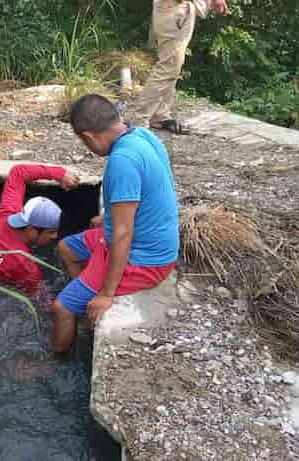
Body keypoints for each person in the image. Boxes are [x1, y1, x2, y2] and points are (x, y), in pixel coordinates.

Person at [51, 94, 178, 354]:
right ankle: (84, 304)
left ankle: (57, 359)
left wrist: (107, 294)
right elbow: (150, 194)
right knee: (66, 248)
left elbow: (122, 235)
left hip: (144, 259)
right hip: (145, 240)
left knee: (60, 308)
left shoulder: (122, 162)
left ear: (88, 136)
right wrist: (107, 218)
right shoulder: (143, 135)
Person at [0, 164, 80, 295]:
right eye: (51, 232)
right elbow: (40, 299)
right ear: (31, 229)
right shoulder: (24, 266)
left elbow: (18, 172)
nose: (55, 236)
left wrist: (60, 174)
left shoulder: (6, 213)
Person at [132, 0, 229, 134]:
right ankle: (139, 120)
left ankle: (159, 115)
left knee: (173, 66)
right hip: (174, 9)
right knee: (168, 67)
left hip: (176, 9)